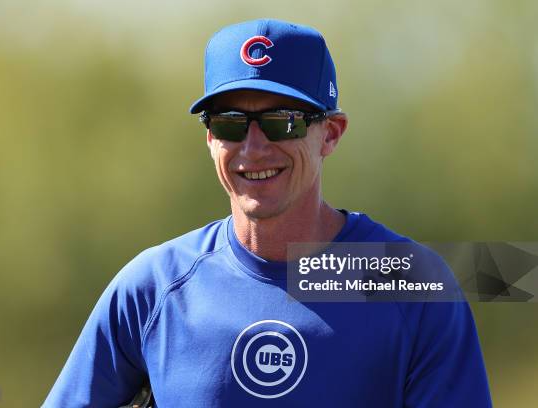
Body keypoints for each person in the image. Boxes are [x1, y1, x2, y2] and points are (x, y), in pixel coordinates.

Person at [43, 19, 492, 407]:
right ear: (210, 139)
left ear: (331, 134)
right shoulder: (152, 288)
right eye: (229, 123)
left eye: (283, 122)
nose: (253, 149)